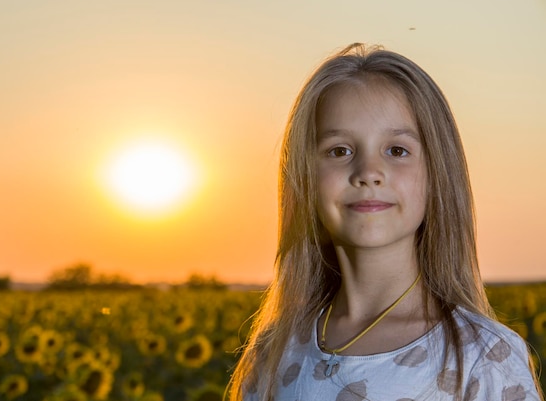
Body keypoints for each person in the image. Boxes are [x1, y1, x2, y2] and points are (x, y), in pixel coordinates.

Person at [227, 43, 542, 401]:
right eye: (339, 151)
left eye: (397, 150)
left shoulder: (482, 358)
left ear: (437, 173)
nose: (368, 172)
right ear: (305, 179)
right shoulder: (274, 350)